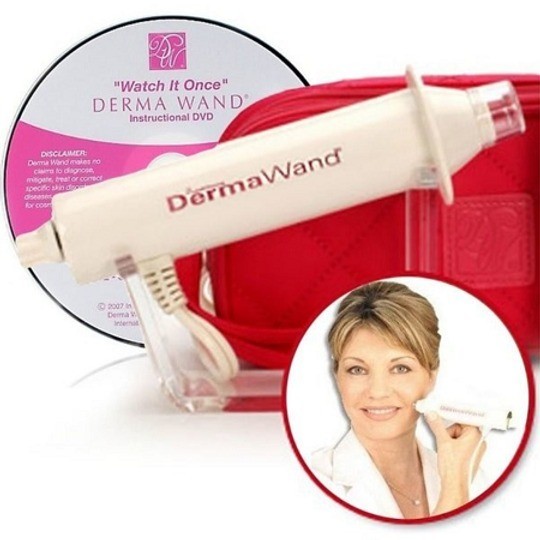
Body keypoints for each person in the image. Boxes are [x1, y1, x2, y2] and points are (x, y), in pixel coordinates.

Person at [311, 281, 486, 519]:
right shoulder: (313, 482)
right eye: (357, 370)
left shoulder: (476, 480)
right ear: (337, 376)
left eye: (400, 368)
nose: (377, 391)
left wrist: (458, 477)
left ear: (431, 375)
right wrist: (455, 486)